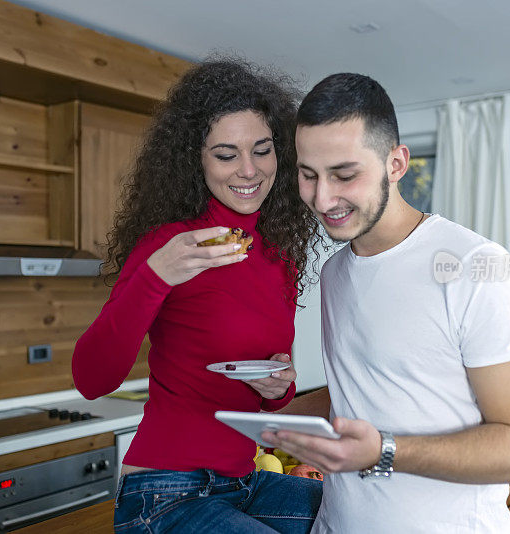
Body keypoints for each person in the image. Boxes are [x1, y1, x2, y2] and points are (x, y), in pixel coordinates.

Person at [263, 73, 510, 533]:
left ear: (396, 163)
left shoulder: (477, 268)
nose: (322, 198)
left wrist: (384, 451)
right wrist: (267, 412)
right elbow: (368, 394)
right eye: (308, 174)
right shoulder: (335, 273)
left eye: (344, 174)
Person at [71, 59, 324, 534]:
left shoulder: (278, 251)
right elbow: (91, 379)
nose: (249, 171)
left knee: (365, 511)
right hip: (164, 492)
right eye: (226, 154)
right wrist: (156, 275)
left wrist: (280, 387)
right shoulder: (170, 246)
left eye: (262, 150)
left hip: (245, 481)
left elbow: (268, 385)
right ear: (197, 159)